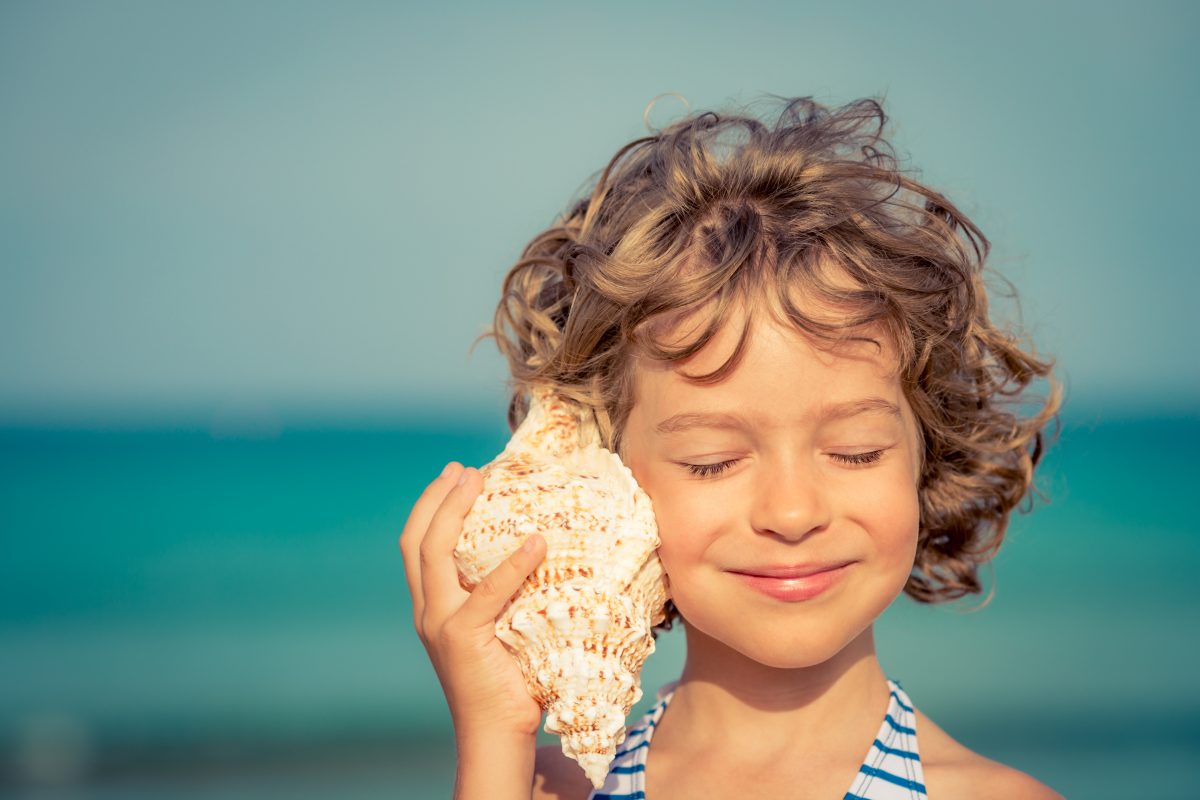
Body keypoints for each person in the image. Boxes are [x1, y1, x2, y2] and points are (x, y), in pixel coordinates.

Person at [399, 95, 1065, 800]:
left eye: (856, 451)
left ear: (925, 449)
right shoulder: (538, 787)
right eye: (713, 461)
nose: (791, 510)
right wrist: (496, 732)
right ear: (609, 479)